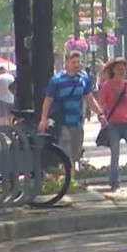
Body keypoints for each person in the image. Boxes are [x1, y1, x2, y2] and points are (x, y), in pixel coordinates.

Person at [38, 51, 106, 179]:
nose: (77, 64)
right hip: (62, 121)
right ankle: (69, 179)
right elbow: (48, 100)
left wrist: (100, 113)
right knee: (66, 149)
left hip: (78, 122)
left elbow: (89, 99)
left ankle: (69, 178)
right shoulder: (57, 80)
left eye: (78, 62)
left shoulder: (83, 79)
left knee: (75, 152)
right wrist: (43, 118)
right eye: (73, 62)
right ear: (66, 63)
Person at [98, 58, 127, 192]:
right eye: (119, 69)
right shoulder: (107, 86)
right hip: (113, 124)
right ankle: (114, 183)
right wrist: (102, 117)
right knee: (115, 153)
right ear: (113, 70)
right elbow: (102, 104)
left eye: (124, 69)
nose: (122, 71)